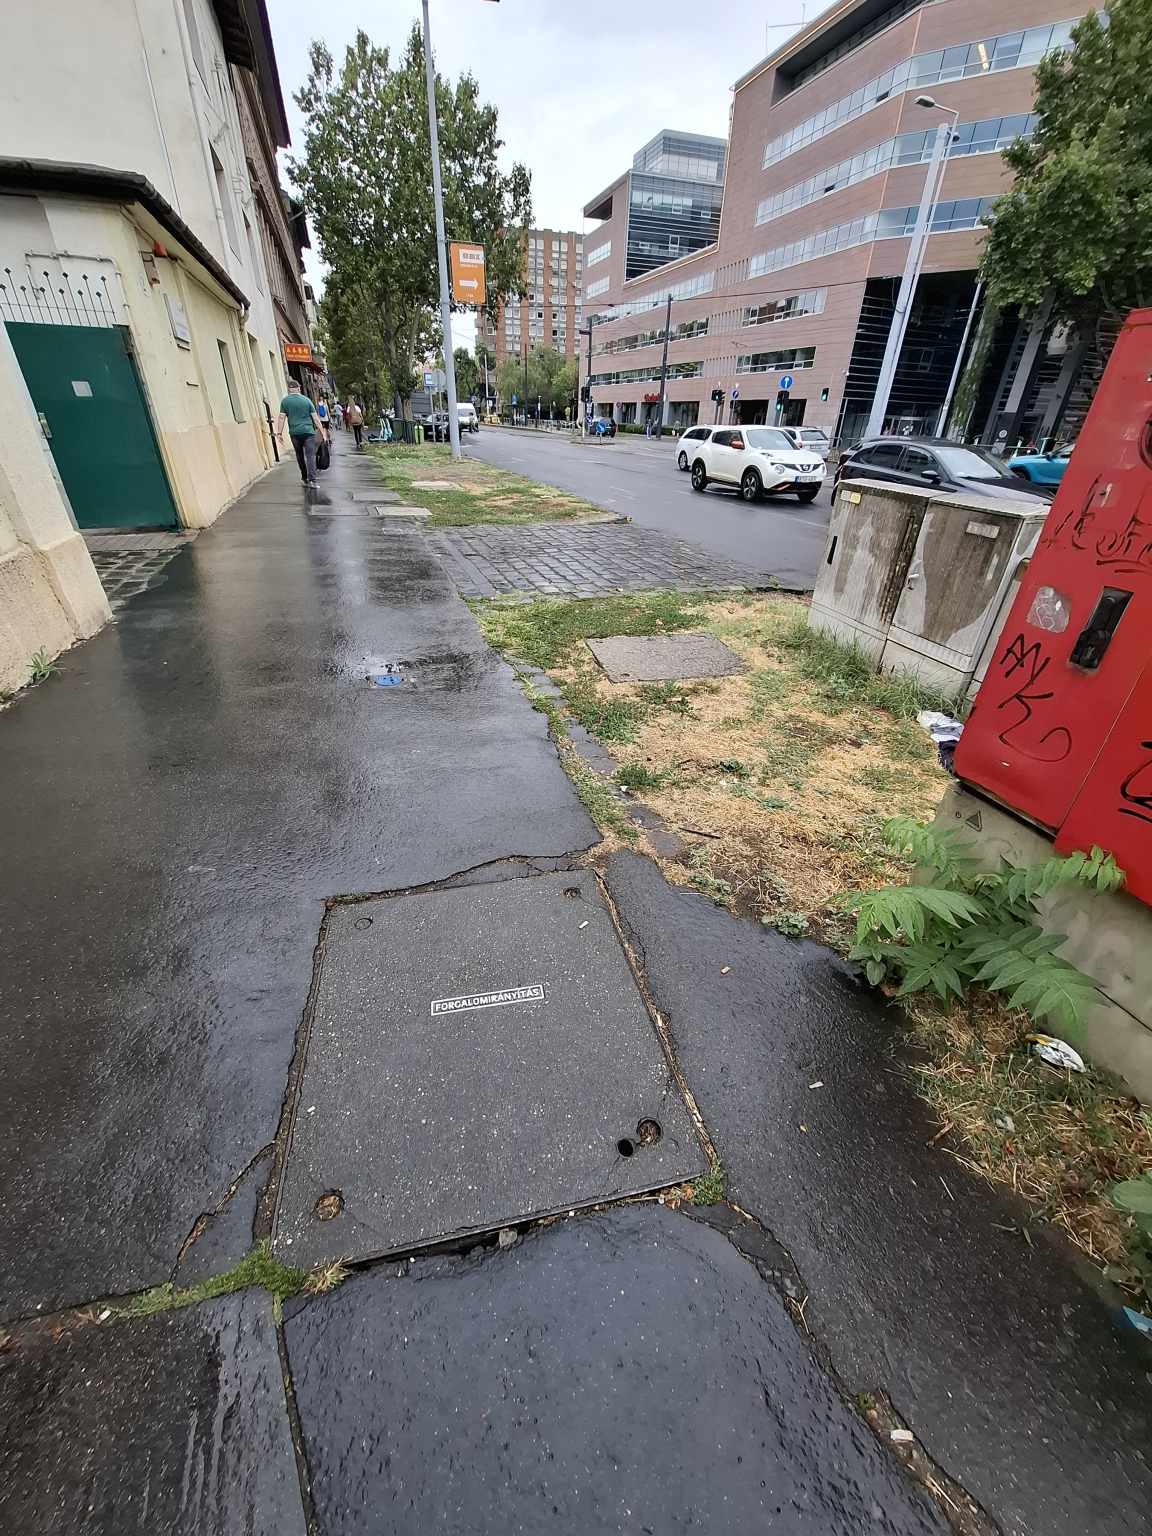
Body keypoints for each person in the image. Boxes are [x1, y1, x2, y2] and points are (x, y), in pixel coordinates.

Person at [276, 379, 326, 487]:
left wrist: (279, 433)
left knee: (299, 455)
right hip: (308, 432)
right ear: (299, 388)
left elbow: (281, 417)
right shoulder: (307, 400)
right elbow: (315, 419)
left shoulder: (285, 401)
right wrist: (323, 433)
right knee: (310, 456)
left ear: (289, 389)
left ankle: (304, 477)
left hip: (294, 433)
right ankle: (312, 480)